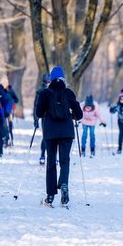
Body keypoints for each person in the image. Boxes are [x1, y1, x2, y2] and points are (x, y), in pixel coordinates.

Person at [35, 66, 83, 207]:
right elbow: (79, 114)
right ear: (63, 78)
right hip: (67, 131)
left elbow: (39, 113)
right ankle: (63, 185)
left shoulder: (45, 93)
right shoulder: (69, 92)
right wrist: (72, 114)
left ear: (50, 78)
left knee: (51, 162)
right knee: (64, 161)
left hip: (50, 132)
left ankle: (50, 196)